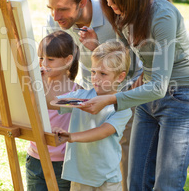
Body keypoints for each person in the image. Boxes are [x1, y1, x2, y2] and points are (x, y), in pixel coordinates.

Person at [80, 0, 189, 190]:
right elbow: (128, 63)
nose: (109, 3)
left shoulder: (162, 15)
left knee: (166, 184)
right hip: (146, 97)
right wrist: (97, 46)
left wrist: (110, 99)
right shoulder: (123, 14)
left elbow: (160, 85)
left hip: (182, 97)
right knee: (136, 182)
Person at [44, 0, 141, 190]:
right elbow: (55, 65)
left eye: (62, 9)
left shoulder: (113, 15)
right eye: (51, 8)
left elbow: (132, 61)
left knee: (117, 150)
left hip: (122, 94)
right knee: (90, 154)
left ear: (82, 3)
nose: (55, 16)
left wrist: (119, 98)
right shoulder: (55, 21)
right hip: (88, 94)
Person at [48, 41, 132, 191]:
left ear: (120, 77)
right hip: (80, 177)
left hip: (107, 180)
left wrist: (72, 137)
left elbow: (103, 131)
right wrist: (41, 80)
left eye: (103, 74)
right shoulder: (80, 96)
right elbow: (52, 102)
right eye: (93, 72)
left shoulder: (122, 107)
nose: (95, 78)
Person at [26, 31, 82, 191]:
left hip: (62, 163)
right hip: (35, 158)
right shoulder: (36, 86)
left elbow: (52, 103)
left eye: (50, 59)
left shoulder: (76, 91)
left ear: (68, 60)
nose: (44, 63)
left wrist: (41, 83)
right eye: (41, 58)